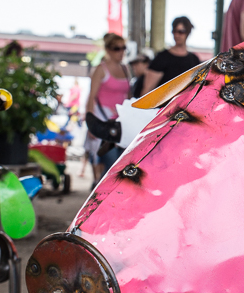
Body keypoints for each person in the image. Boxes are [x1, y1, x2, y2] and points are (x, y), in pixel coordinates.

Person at [86, 33, 132, 182]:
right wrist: (90, 124)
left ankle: (103, 193)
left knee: (121, 163)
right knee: (111, 163)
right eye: (116, 48)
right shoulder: (101, 69)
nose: (121, 52)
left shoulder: (125, 68)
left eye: (123, 48)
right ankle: (100, 193)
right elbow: (91, 96)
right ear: (108, 50)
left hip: (120, 122)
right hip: (103, 120)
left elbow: (129, 97)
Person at [142, 17, 201, 93]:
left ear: (188, 32)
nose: (177, 35)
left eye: (181, 31)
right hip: (164, 104)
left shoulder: (194, 59)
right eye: (174, 31)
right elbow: (147, 89)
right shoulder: (162, 57)